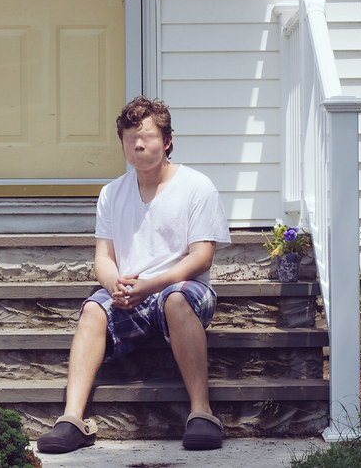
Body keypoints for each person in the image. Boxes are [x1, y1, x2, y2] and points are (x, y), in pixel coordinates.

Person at [36, 96, 231, 454]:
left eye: (147, 136)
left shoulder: (196, 186)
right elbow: (103, 258)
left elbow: (202, 258)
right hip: (131, 292)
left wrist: (151, 285)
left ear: (167, 140)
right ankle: (72, 420)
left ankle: (202, 414)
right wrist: (114, 284)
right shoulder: (112, 193)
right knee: (94, 309)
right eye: (129, 138)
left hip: (182, 290)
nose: (138, 144)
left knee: (175, 298)